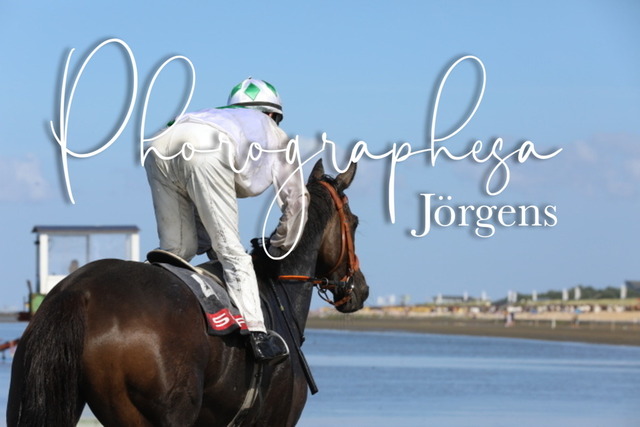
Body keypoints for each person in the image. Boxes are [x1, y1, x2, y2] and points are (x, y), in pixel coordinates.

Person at [144, 78, 309, 363]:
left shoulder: (217, 115)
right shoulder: (273, 132)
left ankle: (140, 294)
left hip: (158, 142)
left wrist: (206, 241)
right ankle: (258, 334)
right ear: (272, 114)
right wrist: (280, 245)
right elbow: (297, 201)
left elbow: (199, 206)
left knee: (177, 250)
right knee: (232, 252)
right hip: (205, 146)